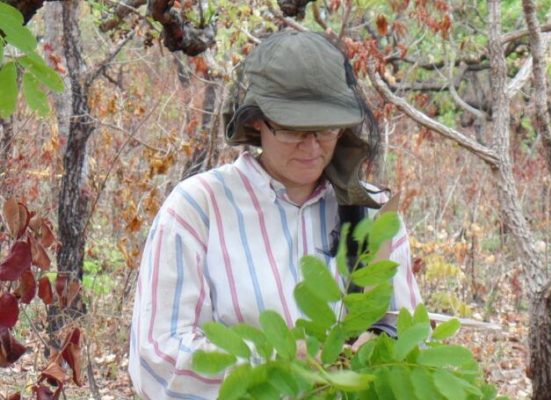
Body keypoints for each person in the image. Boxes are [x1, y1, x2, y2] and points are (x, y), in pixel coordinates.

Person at [129, 31, 422, 399]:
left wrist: (376, 348)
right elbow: (158, 355)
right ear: (256, 121)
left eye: (326, 129)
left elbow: (408, 330)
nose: (312, 146)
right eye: (292, 129)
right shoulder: (197, 209)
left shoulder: (372, 212)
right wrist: (273, 363)